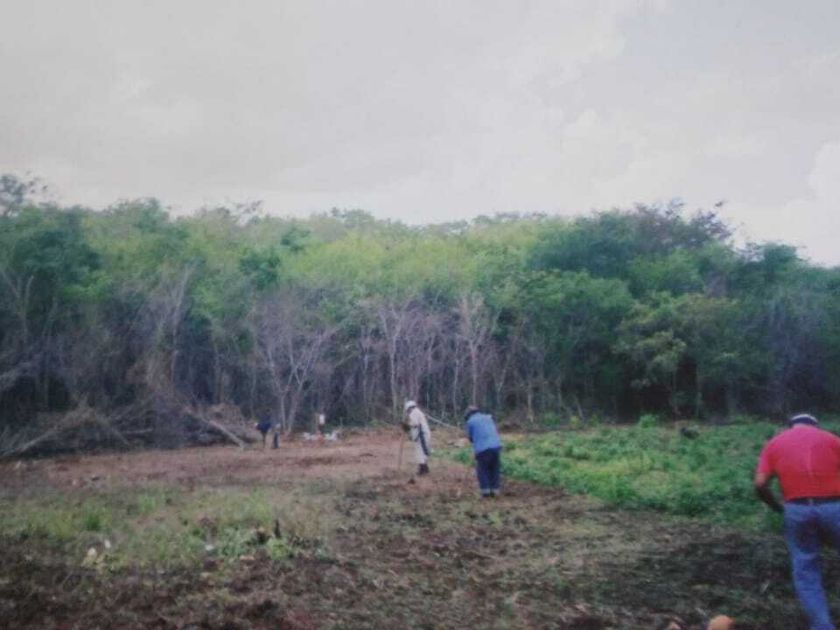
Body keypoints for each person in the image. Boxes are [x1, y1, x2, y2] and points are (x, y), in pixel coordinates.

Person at [755, 413, 840, 630]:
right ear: (816, 425)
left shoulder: (774, 443)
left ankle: (822, 626)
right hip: (834, 505)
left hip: (797, 509)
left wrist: (777, 507)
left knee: (806, 568)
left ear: (790, 426)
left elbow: (760, 484)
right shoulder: (832, 440)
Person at [464, 406, 502, 498]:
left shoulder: (470, 422)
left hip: (483, 448)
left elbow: (470, 438)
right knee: (494, 468)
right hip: (496, 446)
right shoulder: (489, 418)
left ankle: (485, 491)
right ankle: (495, 490)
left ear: (469, 415)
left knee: (482, 469)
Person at [403, 400, 431, 475]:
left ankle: (423, 470)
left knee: (420, 451)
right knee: (422, 451)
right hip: (422, 434)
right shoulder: (417, 412)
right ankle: (425, 468)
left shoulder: (414, 412)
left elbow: (414, 423)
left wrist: (406, 426)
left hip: (421, 435)